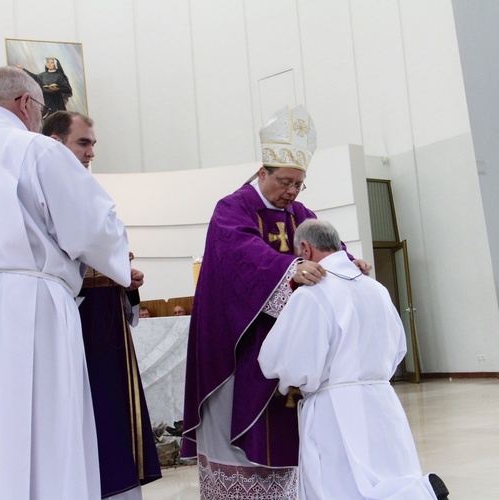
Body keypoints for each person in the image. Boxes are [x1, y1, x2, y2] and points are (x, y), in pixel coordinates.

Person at [0, 66, 131, 499]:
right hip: (27, 303)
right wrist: (114, 256)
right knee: (40, 426)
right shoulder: (35, 149)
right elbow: (95, 227)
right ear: (24, 103)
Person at [181, 104, 371, 498]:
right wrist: (289, 270)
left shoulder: (299, 212)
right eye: (285, 181)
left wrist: (350, 262)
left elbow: (326, 248)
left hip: (291, 350)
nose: (291, 192)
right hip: (241, 345)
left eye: (299, 184)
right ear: (262, 172)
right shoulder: (232, 208)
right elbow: (241, 254)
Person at [259, 219, 450, 500]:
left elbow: (289, 364)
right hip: (384, 402)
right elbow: (399, 347)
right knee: (391, 474)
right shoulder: (377, 290)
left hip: (334, 409)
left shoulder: (312, 294)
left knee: (339, 487)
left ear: (304, 248)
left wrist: (290, 381)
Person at [42, 110, 162, 499]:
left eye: (93, 143)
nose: (91, 152)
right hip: (73, 320)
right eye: (83, 142)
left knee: (113, 419)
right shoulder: (46, 187)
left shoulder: (84, 188)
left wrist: (126, 283)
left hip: (104, 322)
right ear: (56, 142)